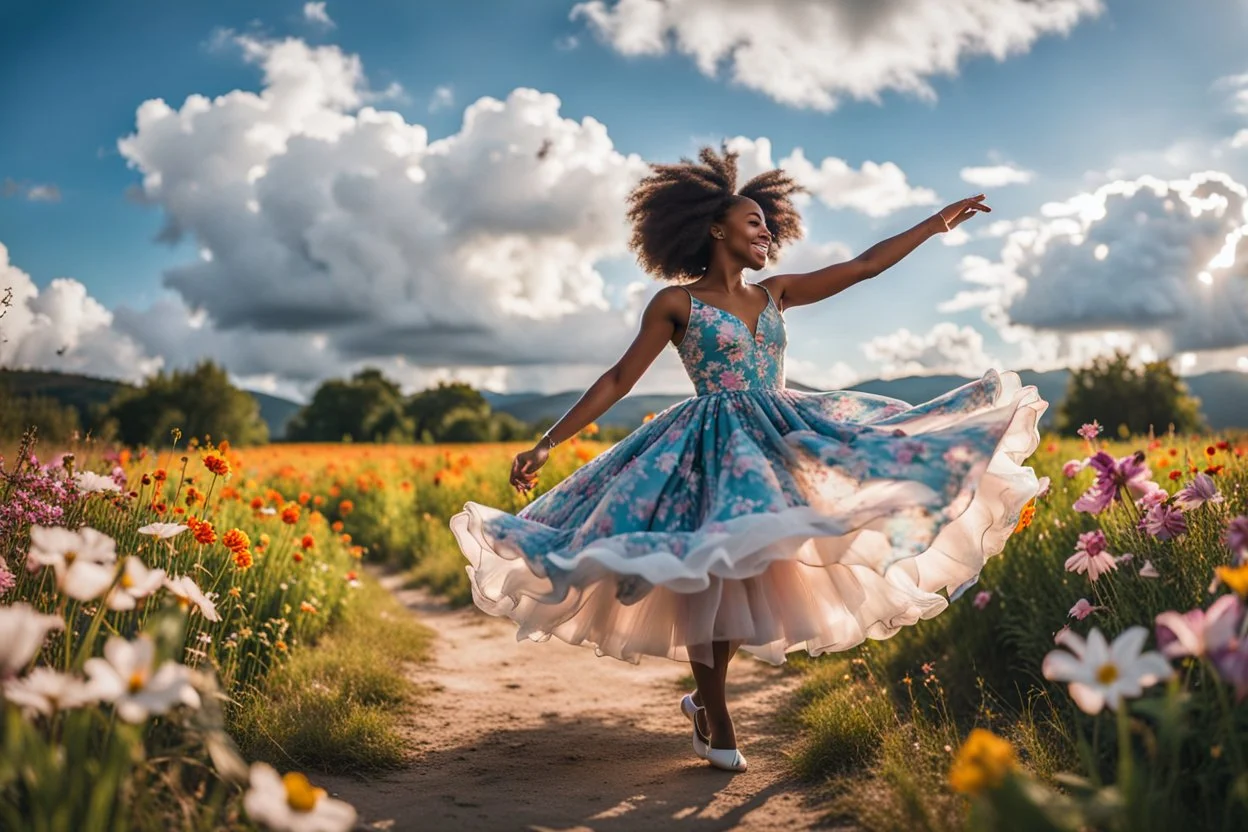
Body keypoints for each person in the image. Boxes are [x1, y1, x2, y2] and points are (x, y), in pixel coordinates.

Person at [449, 143, 1047, 773]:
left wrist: (934, 224)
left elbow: (865, 265)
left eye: (768, 223)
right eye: (753, 221)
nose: (766, 231)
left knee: (748, 571)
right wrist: (547, 442)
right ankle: (716, 714)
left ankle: (706, 707)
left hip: (782, 436)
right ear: (716, 229)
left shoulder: (777, 293)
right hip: (708, 447)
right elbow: (620, 378)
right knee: (713, 573)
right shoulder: (676, 304)